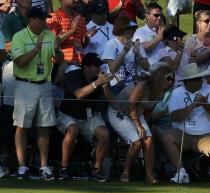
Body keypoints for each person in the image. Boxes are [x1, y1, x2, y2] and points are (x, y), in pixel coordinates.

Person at [11, 6, 59, 180]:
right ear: (31, 20)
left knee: (44, 126)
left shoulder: (50, 35)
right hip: (25, 85)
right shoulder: (19, 37)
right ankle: (22, 166)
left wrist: (59, 50)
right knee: (22, 126)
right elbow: (21, 62)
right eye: (41, 19)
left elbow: (59, 59)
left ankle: (44, 167)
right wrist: (36, 50)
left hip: (44, 85)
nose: (45, 22)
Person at [167, 62, 210, 184]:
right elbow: (174, 117)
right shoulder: (177, 92)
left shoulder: (209, 89)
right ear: (188, 81)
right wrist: (193, 105)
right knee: (166, 137)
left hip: (206, 135)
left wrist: (206, 105)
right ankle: (181, 172)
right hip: (183, 134)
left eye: (202, 78)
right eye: (198, 79)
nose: (202, 81)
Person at [55, 51, 111, 180]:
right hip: (67, 114)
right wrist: (96, 83)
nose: (99, 68)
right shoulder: (74, 75)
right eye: (96, 66)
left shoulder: (99, 78)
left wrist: (105, 87)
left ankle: (96, 169)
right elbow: (79, 94)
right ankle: (64, 169)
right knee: (73, 128)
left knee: (104, 134)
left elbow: (111, 101)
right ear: (86, 67)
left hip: (88, 116)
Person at [102, 16, 148, 93]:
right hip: (117, 86)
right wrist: (125, 50)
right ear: (121, 29)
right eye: (129, 28)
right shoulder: (111, 44)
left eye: (134, 28)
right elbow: (112, 69)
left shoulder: (136, 44)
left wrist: (137, 54)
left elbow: (147, 67)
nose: (132, 30)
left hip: (134, 85)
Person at [46, 0, 87, 68]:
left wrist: (87, 37)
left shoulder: (80, 18)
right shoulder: (53, 18)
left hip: (79, 64)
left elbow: (84, 44)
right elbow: (52, 44)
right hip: (62, 67)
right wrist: (71, 30)